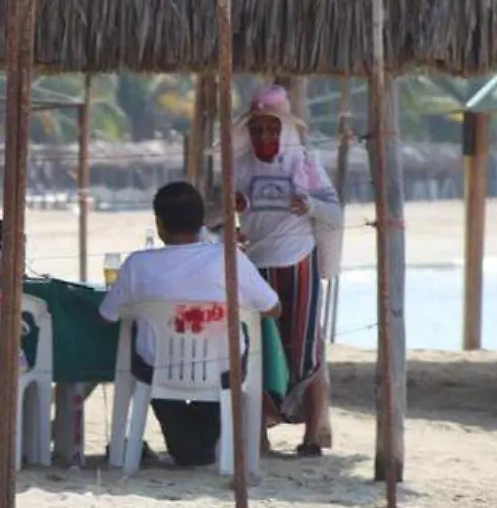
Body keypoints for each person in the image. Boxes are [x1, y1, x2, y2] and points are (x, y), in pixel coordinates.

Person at [100, 181, 281, 467]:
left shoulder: (138, 264)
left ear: (158, 223)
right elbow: (273, 308)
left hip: (157, 370)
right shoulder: (230, 259)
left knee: (148, 358)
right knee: (220, 373)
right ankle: (197, 446)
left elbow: (107, 316)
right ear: (201, 223)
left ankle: (189, 446)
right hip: (222, 369)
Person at [233, 84, 343, 457]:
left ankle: (312, 436)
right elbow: (217, 216)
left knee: (307, 347)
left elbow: (335, 213)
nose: (264, 136)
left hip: (298, 263)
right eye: (257, 129)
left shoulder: (306, 165)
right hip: (255, 267)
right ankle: (260, 436)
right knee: (256, 349)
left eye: (271, 128)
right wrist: (229, 209)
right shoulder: (241, 166)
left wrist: (308, 205)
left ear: (285, 129)